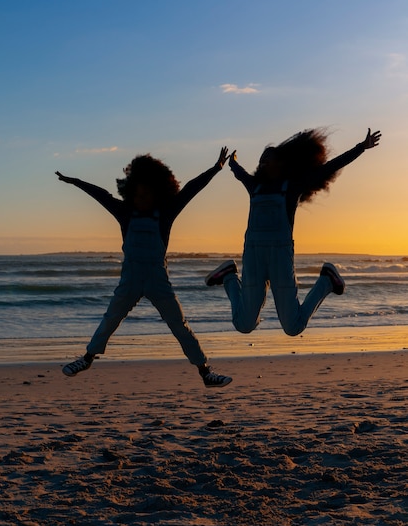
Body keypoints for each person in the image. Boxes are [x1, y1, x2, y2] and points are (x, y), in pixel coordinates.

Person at [56, 148, 232, 388]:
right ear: (130, 194)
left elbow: (191, 189)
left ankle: (205, 372)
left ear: (158, 193)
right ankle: (87, 359)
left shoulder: (166, 213)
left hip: (158, 280)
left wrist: (215, 169)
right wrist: (74, 181)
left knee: (179, 325)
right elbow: (100, 194)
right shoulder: (125, 212)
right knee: (111, 319)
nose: (142, 200)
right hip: (130, 280)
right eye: (137, 195)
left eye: (147, 195)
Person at [205, 128, 382, 336]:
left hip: (281, 258)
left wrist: (361, 147)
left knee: (293, 327)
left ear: (280, 164)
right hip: (253, 257)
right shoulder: (254, 186)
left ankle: (326, 280)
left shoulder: (292, 187)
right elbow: (238, 171)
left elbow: (329, 168)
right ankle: (229, 277)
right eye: (260, 160)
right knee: (244, 325)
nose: (261, 163)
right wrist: (232, 161)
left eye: (267, 160)